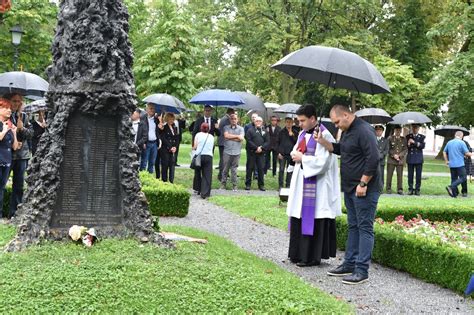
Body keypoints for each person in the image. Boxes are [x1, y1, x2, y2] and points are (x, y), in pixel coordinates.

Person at [318, 104, 380, 285]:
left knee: (365, 228)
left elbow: (374, 158)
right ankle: (349, 263)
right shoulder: (347, 131)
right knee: (353, 226)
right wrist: (323, 141)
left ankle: (362, 270)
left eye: (337, 121)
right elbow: (342, 150)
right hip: (350, 187)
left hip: (364, 188)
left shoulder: (364, 130)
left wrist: (363, 182)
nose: (336, 125)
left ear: (346, 115)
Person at [286, 104, 341, 267]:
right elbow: (297, 150)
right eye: (298, 120)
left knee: (313, 217)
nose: (299, 124)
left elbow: (323, 163)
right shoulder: (303, 133)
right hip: (300, 182)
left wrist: (302, 159)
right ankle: (297, 253)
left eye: (302, 120)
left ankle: (310, 257)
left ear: (312, 119)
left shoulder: (324, 135)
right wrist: (294, 154)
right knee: (299, 215)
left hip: (318, 186)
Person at [4, 93, 33, 219]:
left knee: (19, 185)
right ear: (9, 101)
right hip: (7, 154)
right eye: (14, 101)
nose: (16, 103)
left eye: (19, 101)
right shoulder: (4, 115)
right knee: (2, 183)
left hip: (22, 156)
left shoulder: (25, 116)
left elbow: (31, 133)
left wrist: (21, 129)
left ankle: (14, 213)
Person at [0, 98, 19, 219]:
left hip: (7, 160)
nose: (9, 110)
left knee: (1, 187)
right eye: (5, 108)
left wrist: (15, 132)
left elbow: (15, 147)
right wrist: (5, 130)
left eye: (10, 109)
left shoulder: (10, 124)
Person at [444, 131, 472, 198]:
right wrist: (471, 154)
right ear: (461, 136)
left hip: (451, 164)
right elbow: (467, 153)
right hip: (459, 164)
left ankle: (454, 194)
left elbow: (444, 151)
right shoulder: (461, 142)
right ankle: (450, 186)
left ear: (455, 135)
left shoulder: (449, 142)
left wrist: (446, 161)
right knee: (463, 177)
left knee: (454, 178)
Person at [245, 116, 269, 191]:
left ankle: (261, 185)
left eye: (259, 121)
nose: (258, 122)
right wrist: (256, 148)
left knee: (261, 169)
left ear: (262, 122)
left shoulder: (265, 131)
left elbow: (268, 141)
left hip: (261, 153)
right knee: (250, 168)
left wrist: (261, 148)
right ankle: (248, 184)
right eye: (256, 121)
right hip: (252, 152)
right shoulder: (250, 130)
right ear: (254, 122)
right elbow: (249, 140)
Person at [221, 114, 244, 191]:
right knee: (225, 169)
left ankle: (234, 185)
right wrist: (237, 136)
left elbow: (241, 139)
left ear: (237, 120)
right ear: (230, 120)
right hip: (227, 151)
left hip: (237, 152)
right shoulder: (226, 127)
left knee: (234, 170)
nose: (233, 120)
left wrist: (231, 137)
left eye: (235, 119)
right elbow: (226, 136)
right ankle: (223, 184)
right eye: (232, 119)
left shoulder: (241, 129)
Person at [192, 123, 214, 199]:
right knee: (207, 175)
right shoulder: (211, 136)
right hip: (208, 156)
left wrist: (193, 149)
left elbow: (195, 146)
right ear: (208, 129)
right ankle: (205, 192)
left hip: (199, 156)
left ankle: (198, 189)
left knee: (198, 172)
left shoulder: (198, 135)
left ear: (201, 128)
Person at [140, 103, 161, 174]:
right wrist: (143, 142)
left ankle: (150, 178)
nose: (152, 110)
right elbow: (140, 131)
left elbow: (158, 131)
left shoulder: (156, 119)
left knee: (152, 163)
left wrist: (161, 125)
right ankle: (142, 178)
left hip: (154, 143)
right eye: (151, 108)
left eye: (154, 109)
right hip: (146, 143)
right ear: (147, 109)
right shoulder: (142, 118)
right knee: (144, 162)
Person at [386, 125, 407, 195]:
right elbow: (388, 149)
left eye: (399, 130)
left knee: (400, 175)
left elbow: (405, 149)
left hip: (400, 160)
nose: (398, 131)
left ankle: (400, 189)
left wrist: (399, 155)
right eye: (396, 130)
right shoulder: (390, 138)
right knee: (389, 175)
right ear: (394, 131)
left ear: (401, 131)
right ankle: (388, 189)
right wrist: (394, 155)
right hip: (391, 160)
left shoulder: (403, 139)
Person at [278, 116, 298, 188]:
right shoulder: (281, 132)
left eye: (290, 122)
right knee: (281, 169)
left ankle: (288, 185)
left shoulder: (295, 132)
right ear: (285, 123)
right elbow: (277, 143)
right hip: (282, 154)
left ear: (292, 123)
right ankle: (280, 185)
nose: (289, 124)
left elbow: (297, 143)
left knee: (289, 170)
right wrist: (278, 152)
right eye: (287, 122)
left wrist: (292, 135)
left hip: (291, 154)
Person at [406, 124, 425, 195]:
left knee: (418, 175)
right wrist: (408, 143)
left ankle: (417, 189)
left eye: (416, 128)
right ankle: (410, 189)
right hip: (410, 158)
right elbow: (407, 147)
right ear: (411, 128)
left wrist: (414, 142)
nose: (415, 129)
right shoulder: (408, 136)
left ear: (418, 128)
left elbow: (422, 146)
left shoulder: (422, 137)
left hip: (418, 158)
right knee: (410, 175)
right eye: (413, 128)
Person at [160, 113, 179, 183]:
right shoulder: (164, 127)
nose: (171, 120)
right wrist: (170, 147)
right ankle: (164, 181)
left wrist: (175, 147)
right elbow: (163, 139)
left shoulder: (174, 127)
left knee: (172, 166)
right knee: (165, 166)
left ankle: (171, 181)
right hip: (165, 149)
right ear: (167, 119)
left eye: (173, 119)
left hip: (173, 150)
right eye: (170, 119)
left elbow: (177, 138)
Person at [217, 108, 235, 181]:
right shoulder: (226, 120)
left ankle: (224, 174)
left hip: (222, 142)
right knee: (223, 160)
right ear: (230, 112)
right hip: (224, 142)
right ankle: (221, 175)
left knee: (224, 159)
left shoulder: (224, 118)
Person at [375, 125, 389, 193]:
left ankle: (380, 189)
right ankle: (373, 188)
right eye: (377, 130)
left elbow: (386, 150)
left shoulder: (385, 140)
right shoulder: (372, 139)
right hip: (373, 160)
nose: (378, 132)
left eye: (380, 131)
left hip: (381, 161)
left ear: (382, 131)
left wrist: (380, 155)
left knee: (381, 175)